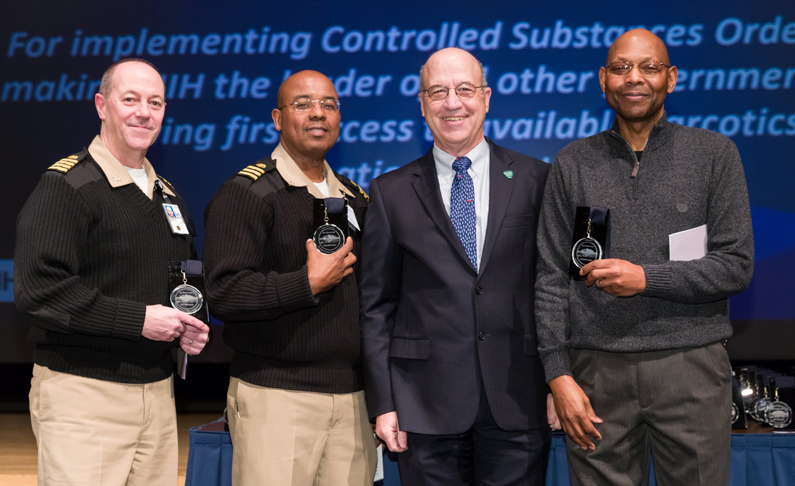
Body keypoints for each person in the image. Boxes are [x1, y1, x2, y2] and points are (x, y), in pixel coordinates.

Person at [536, 29, 754, 486]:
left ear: (671, 79)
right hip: (595, 374)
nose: (634, 79)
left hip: (690, 366)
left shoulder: (714, 155)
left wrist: (645, 279)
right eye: (621, 68)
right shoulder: (571, 163)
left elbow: (736, 264)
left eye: (649, 67)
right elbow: (551, 278)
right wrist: (558, 374)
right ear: (603, 79)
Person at [360, 47, 555, 485]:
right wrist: (385, 402)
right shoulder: (389, 192)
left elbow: (555, 289)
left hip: (518, 397)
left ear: (486, 97)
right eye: (438, 91)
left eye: (464, 89)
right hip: (424, 405)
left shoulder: (536, 179)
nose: (453, 102)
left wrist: (558, 382)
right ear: (422, 103)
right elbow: (375, 307)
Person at [15, 58, 210, 485]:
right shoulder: (67, 186)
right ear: (102, 106)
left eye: (155, 102)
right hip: (83, 393)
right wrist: (139, 320)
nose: (144, 111)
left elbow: (179, 278)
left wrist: (188, 323)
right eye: (131, 99)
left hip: (157, 395)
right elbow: (39, 288)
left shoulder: (167, 195)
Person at [203, 70, 376, 486]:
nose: (318, 113)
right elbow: (223, 292)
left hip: (353, 401)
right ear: (278, 118)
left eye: (329, 104)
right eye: (303, 104)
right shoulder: (248, 193)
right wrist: (306, 284)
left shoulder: (355, 198)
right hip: (276, 399)